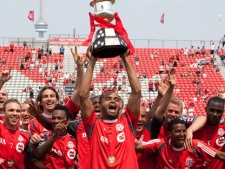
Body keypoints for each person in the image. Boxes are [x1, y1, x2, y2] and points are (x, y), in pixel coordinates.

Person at [79, 47, 141, 168]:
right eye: (108, 99)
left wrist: (125, 58)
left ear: (120, 106)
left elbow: (136, 92)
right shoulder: (93, 124)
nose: (113, 101)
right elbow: (83, 95)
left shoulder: (128, 121)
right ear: (100, 106)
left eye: (116, 99)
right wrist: (92, 61)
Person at [135, 118, 225, 169]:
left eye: (184, 131)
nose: (182, 134)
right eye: (178, 131)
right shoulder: (160, 144)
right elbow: (137, 147)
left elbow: (221, 155)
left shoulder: (196, 145)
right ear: (170, 133)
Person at [31, 105, 76, 169]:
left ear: (68, 121)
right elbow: (40, 154)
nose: (55, 121)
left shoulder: (74, 139)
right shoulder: (45, 136)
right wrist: (55, 135)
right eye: (53, 118)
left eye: (59, 118)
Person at [185, 96, 225, 168]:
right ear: (206, 109)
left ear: (223, 112)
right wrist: (189, 130)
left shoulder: (223, 127)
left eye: (219, 111)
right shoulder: (193, 124)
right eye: (212, 110)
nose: (215, 114)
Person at [0, 98, 30, 168]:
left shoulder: (27, 135)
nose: (15, 113)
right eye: (11, 110)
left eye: (18, 111)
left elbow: (35, 160)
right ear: (3, 113)